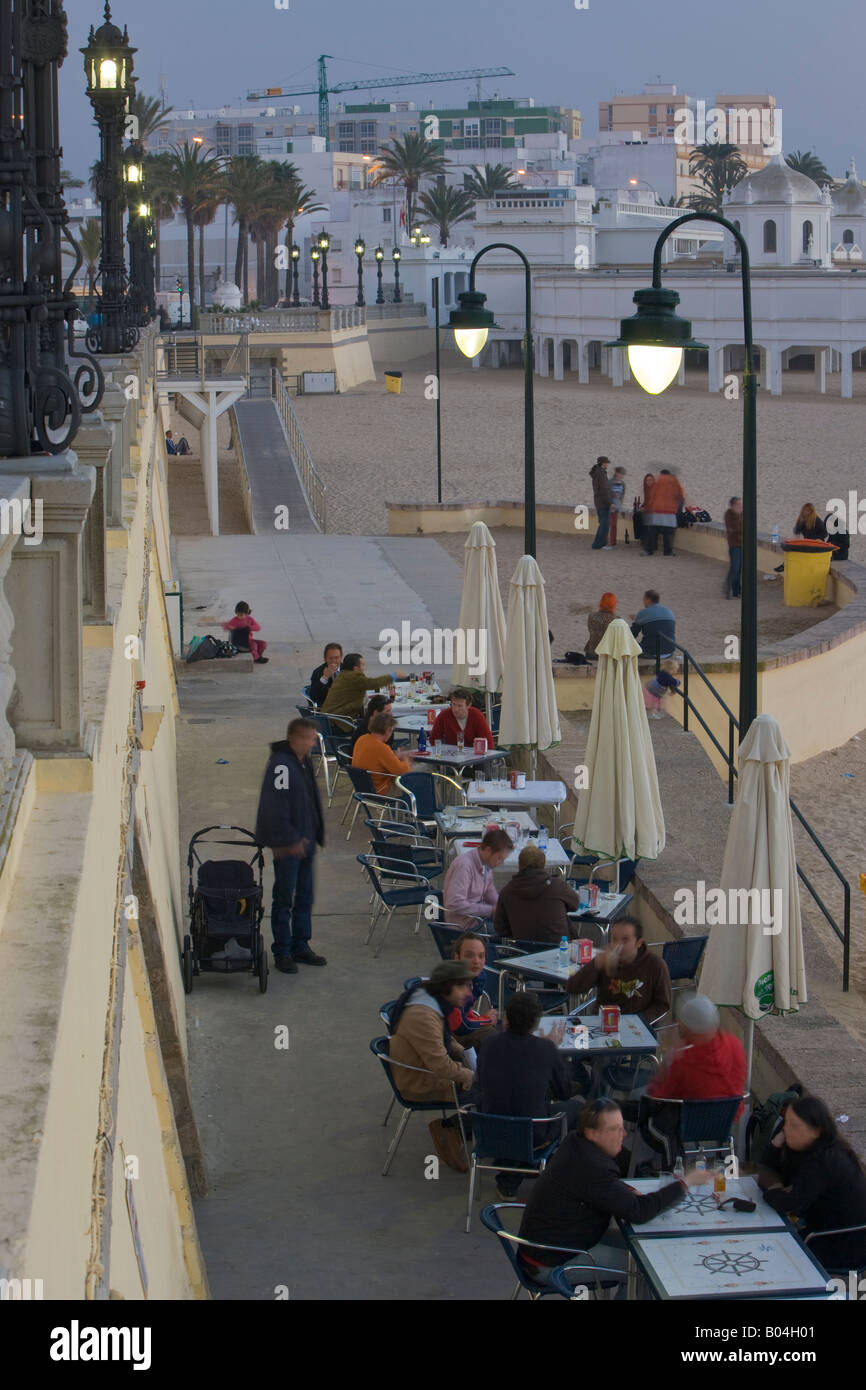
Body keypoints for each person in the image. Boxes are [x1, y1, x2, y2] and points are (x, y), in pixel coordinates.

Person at [517, 1098, 705, 1284]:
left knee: (648, 1248)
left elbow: (609, 1182)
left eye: (622, 1127)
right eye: (614, 1129)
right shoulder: (592, 1167)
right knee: (651, 1269)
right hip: (552, 1264)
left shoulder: (576, 1142)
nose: (623, 1134)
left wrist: (626, 1189)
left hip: (552, 1248)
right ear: (592, 1133)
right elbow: (639, 1211)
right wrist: (685, 1183)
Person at [477, 991, 581, 1196]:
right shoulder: (545, 1048)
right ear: (535, 1023)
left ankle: (511, 1174)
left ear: (506, 1018)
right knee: (576, 1108)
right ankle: (549, 1171)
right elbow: (565, 1092)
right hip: (532, 1133)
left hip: (489, 1130)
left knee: (520, 1111)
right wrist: (554, 1049)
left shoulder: (488, 1044)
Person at [633, 994, 747, 1169]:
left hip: (688, 1125)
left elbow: (657, 1095)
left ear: (688, 1027)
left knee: (641, 1105)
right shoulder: (734, 1045)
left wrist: (668, 1054)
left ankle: (643, 1165)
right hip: (725, 1122)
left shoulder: (684, 1062)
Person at [757, 1094, 866, 1271]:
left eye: (794, 1126)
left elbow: (790, 1204)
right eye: (786, 1123)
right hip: (835, 1233)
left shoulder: (824, 1161)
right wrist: (775, 1146)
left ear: (816, 1130)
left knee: (770, 1250)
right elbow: (768, 1174)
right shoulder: (822, 1148)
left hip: (842, 1244)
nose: (786, 1130)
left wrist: (772, 1191)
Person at [388, 960, 476, 1171]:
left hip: (426, 1070)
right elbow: (441, 1067)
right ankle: (450, 1129)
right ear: (447, 987)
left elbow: (441, 1039)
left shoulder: (430, 999)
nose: (468, 993)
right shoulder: (423, 1016)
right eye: (462, 986)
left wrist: (460, 1050)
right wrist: (470, 1075)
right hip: (420, 1082)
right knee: (495, 1091)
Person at [254, 717, 327, 973]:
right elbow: (275, 807)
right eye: (308, 738)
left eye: (314, 737)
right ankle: (283, 951)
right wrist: (288, 840)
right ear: (293, 738)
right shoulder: (281, 766)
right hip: (289, 845)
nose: (313, 742)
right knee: (284, 898)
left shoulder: (303, 761)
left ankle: (301, 946)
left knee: (305, 896)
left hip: (305, 841)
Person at [566, 917, 671, 1023]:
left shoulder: (655, 964)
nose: (618, 945)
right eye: (615, 939)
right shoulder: (605, 958)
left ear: (639, 943)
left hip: (637, 1025)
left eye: (625, 940)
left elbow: (662, 1004)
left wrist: (640, 1021)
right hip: (604, 1022)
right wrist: (594, 965)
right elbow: (572, 988)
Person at [494, 843, 582, 943]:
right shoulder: (557, 886)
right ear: (543, 864)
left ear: (520, 865)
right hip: (557, 950)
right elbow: (575, 904)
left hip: (522, 952)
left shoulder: (507, 891)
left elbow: (501, 928)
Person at [442, 827, 513, 931]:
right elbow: (455, 903)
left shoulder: (486, 865)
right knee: (511, 933)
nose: (501, 863)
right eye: (499, 858)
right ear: (488, 850)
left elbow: (491, 894)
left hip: (477, 920)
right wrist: (491, 910)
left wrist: (504, 908)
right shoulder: (464, 866)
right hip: (463, 927)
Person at [447, 933, 498, 1050]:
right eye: (469, 955)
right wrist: (486, 1019)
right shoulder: (451, 984)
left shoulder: (479, 977)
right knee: (492, 1036)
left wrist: (478, 1018)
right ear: (456, 957)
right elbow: (460, 1026)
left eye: (481, 956)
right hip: (444, 1032)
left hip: (459, 1023)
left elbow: (466, 1009)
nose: (476, 961)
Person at [321, 652, 406, 719]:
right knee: (378, 720)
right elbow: (373, 683)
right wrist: (394, 675)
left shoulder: (343, 675)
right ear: (355, 668)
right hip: (339, 720)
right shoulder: (354, 677)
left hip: (329, 717)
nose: (364, 668)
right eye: (362, 665)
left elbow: (366, 684)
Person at [351, 712, 414, 795]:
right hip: (381, 791)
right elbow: (402, 772)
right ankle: (426, 805)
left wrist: (395, 756)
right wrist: (406, 760)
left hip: (362, 789)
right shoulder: (381, 748)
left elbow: (377, 760)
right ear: (389, 730)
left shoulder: (362, 739)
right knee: (425, 771)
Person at [430, 688, 494, 749]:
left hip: (474, 756)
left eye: (460, 706)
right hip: (451, 756)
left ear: (468, 706)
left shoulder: (477, 716)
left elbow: (488, 743)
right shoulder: (443, 716)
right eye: (453, 704)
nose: (455, 709)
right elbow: (433, 739)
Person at [643, 467, 684, 557]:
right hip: (669, 512)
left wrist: (649, 508)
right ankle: (667, 551)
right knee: (668, 533)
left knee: (652, 531)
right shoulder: (674, 483)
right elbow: (680, 496)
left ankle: (649, 550)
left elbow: (652, 496)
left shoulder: (657, 483)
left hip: (657, 510)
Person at [631, 589, 676, 661]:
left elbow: (632, 635)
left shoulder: (643, 613)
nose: (643, 602)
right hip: (669, 651)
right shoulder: (669, 611)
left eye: (644, 600)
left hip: (651, 652)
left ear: (648, 600)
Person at [589, 456, 613, 550]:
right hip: (603, 503)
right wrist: (609, 502)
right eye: (607, 463)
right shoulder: (601, 474)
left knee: (603, 524)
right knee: (604, 524)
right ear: (603, 463)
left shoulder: (597, 473)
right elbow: (604, 490)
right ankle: (598, 544)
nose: (607, 464)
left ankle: (599, 543)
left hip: (599, 501)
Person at [585, 592, 617, 659]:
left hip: (591, 652)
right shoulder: (617, 619)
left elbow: (592, 632)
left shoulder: (591, 616)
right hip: (607, 654)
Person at [723, 495, 743, 599]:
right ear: (732, 506)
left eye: (741, 505)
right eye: (738, 505)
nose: (740, 507)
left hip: (742, 544)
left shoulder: (742, 514)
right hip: (734, 545)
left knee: (739, 569)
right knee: (735, 567)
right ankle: (727, 588)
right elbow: (732, 528)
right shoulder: (729, 514)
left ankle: (737, 591)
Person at [608, 466, 627, 546]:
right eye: (621, 473)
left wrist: (620, 506)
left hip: (617, 507)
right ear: (616, 473)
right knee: (608, 525)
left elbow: (622, 495)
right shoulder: (609, 482)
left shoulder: (623, 484)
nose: (622, 476)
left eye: (623, 474)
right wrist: (610, 503)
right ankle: (605, 541)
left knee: (614, 525)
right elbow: (606, 494)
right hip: (609, 507)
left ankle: (613, 542)